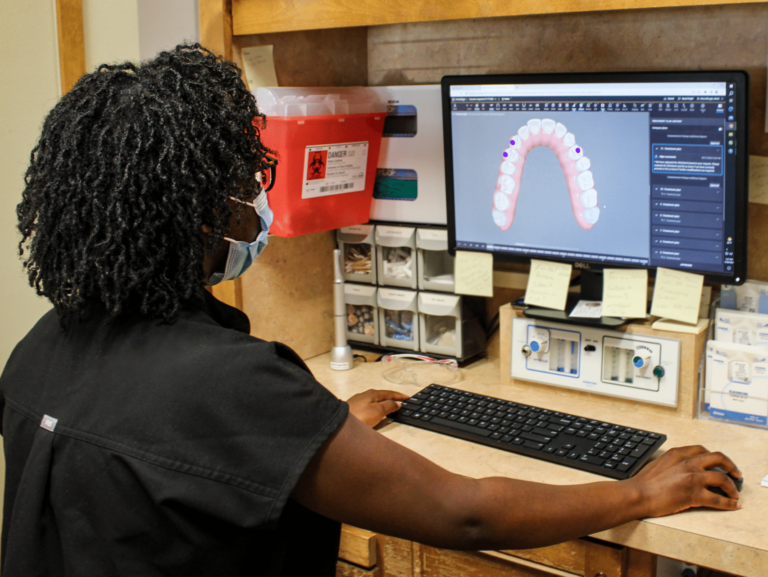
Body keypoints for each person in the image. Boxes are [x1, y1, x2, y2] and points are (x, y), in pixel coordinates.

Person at [0, 45, 742, 576]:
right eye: (238, 189)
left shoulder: (38, 352)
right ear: (197, 218)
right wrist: (641, 489)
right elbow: (465, 512)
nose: (254, 206)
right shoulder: (228, 385)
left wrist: (310, 437)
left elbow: (167, 481)